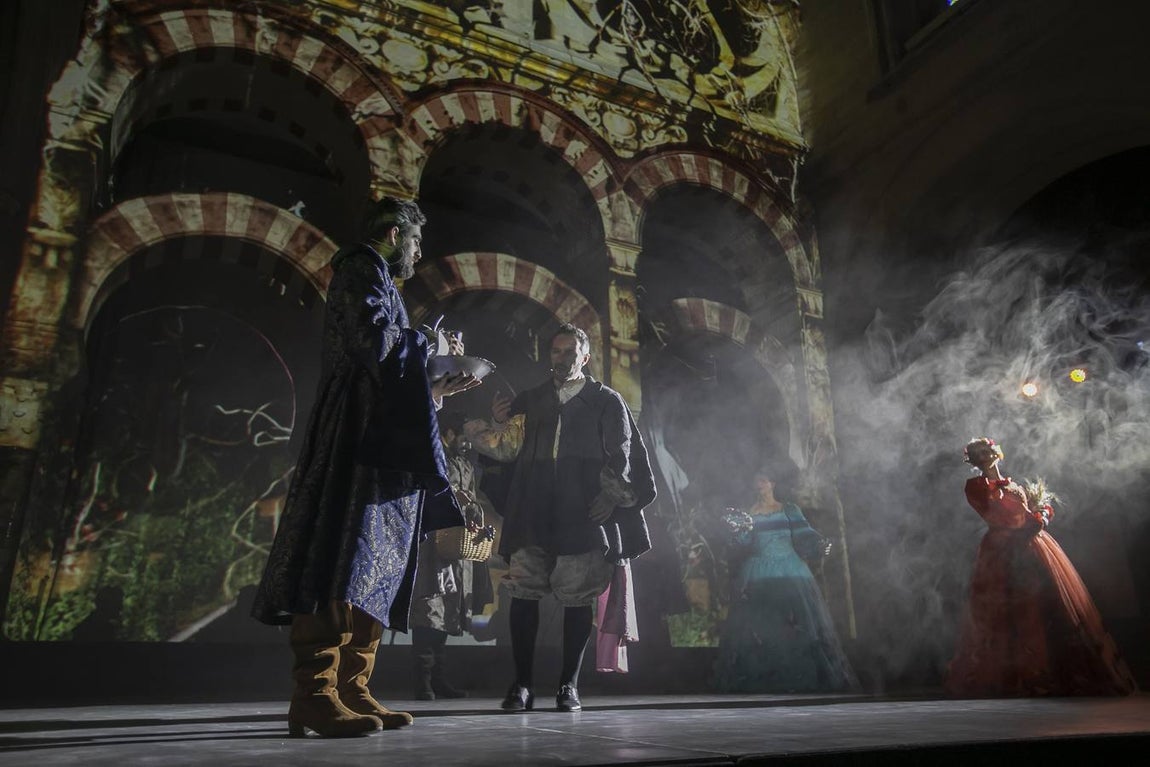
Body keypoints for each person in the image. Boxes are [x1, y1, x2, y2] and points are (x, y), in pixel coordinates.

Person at [250, 197, 481, 737]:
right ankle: (316, 693)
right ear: (397, 234)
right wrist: (432, 342)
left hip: (383, 443)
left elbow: (391, 370)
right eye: (418, 242)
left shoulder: (381, 281)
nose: (418, 253)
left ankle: (354, 688)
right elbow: (375, 343)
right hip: (356, 441)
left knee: (377, 564)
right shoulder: (359, 269)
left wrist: (437, 386)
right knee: (341, 555)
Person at [466, 324, 656, 712]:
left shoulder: (605, 400)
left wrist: (611, 498)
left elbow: (622, 452)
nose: (563, 358)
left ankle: (568, 685)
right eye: (557, 351)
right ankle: (521, 685)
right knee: (523, 593)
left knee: (576, 598)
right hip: (535, 508)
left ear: (584, 357)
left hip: (580, 512)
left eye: (571, 352)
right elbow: (507, 452)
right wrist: (499, 425)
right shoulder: (531, 399)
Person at [944, 437, 1137, 697]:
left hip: (1031, 546)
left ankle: (1054, 671)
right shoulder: (977, 486)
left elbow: (1026, 514)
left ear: (995, 451)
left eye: (986, 449)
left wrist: (1042, 512)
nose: (984, 455)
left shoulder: (1013, 484)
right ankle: (1015, 675)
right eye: (977, 453)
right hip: (1002, 549)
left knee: (1042, 604)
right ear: (973, 460)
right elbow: (1004, 516)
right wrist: (1033, 520)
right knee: (1008, 607)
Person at [714, 467, 859, 693]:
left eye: (763, 480)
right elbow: (742, 543)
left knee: (796, 626)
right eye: (756, 480)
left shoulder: (788, 509)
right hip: (759, 571)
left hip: (790, 570)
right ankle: (764, 680)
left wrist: (819, 545)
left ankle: (803, 679)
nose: (759, 484)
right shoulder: (748, 514)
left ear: (772, 483)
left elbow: (804, 535)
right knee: (761, 626)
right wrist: (736, 532)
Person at [409, 410, 494, 700]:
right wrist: (449, 496)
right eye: (463, 435)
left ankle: (439, 678)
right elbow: (422, 491)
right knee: (429, 609)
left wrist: (475, 517)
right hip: (433, 542)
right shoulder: (434, 456)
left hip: (457, 545)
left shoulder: (465, 462)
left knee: (448, 610)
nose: (467, 442)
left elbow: (473, 497)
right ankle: (423, 681)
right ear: (448, 432)